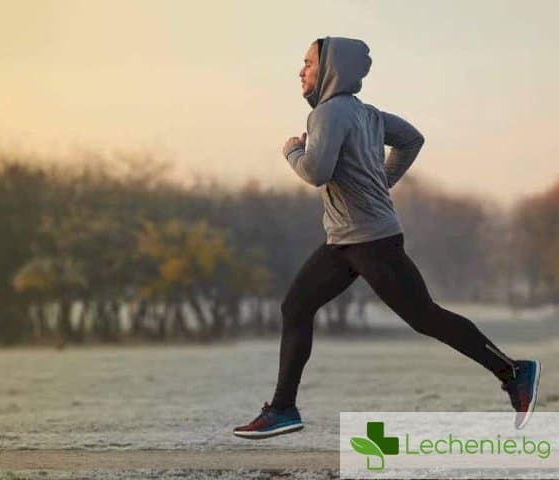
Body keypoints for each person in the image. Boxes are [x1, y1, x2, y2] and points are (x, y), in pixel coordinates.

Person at [232, 36, 541, 439]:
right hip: (345, 241)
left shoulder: (327, 114)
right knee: (296, 307)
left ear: (329, 68)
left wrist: (292, 150)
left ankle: (514, 371)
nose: (301, 70)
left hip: (370, 241)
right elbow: (412, 138)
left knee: (424, 316)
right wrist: (383, 180)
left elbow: (316, 172)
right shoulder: (366, 114)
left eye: (307, 62)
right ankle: (284, 408)